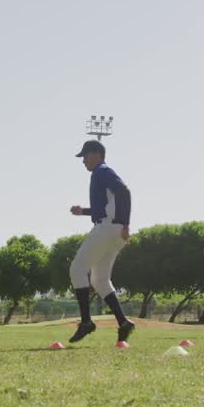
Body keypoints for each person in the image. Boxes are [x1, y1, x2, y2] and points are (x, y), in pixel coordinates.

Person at [67, 140, 136, 344]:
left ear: (97, 154)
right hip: (114, 230)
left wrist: (126, 224)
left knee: (77, 269)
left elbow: (124, 192)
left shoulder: (102, 171)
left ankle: (86, 322)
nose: (83, 160)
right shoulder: (100, 173)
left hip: (108, 228)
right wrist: (83, 211)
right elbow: (105, 207)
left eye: (85, 155)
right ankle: (123, 322)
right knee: (100, 280)